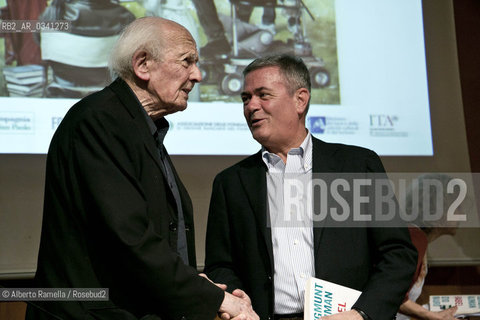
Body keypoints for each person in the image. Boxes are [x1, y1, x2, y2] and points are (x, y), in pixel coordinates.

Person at [26, 17, 258, 320]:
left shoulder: (138, 127)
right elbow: (130, 240)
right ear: (143, 64)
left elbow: (149, 240)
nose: (198, 75)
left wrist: (197, 287)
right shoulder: (100, 122)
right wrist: (217, 300)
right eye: (187, 62)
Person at [204, 54, 418, 320]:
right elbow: (220, 265)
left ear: (300, 100)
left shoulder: (357, 165)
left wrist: (362, 314)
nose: (251, 106)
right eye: (246, 98)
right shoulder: (231, 183)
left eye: (263, 95)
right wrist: (238, 300)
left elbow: (398, 255)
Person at [397, 174, 464, 320]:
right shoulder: (414, 239)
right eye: (456, 207)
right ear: (438, 209)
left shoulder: (416, 238)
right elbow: (392, 294)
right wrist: (431, 316)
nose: (462, 213)